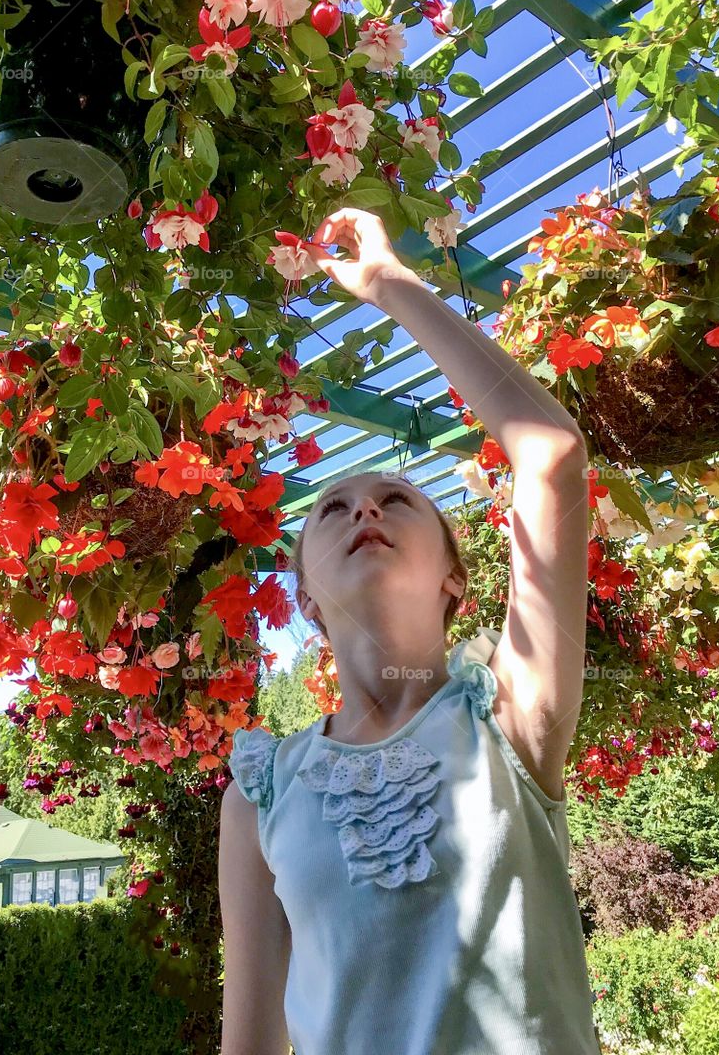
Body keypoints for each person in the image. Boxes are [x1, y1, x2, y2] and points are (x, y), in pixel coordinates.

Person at [219, 208, 601, 1055]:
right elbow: (249, 1041)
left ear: (452, 579)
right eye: (331, 508)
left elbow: (550, 457)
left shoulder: (510, 719)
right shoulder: (260, 792)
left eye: (397, 500)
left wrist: (391, 284)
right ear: (306, 598)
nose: (364, 507)